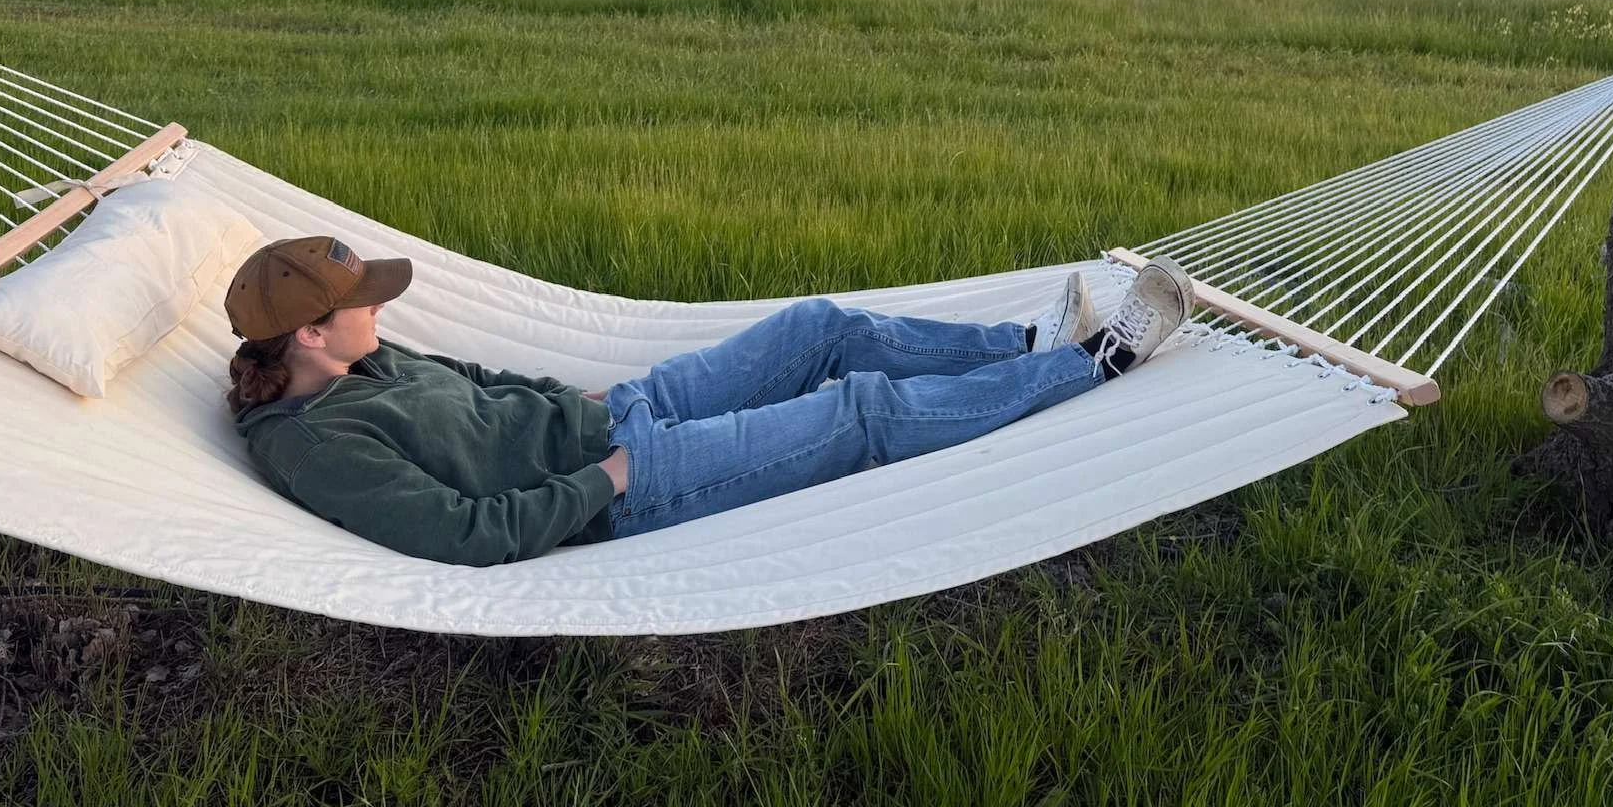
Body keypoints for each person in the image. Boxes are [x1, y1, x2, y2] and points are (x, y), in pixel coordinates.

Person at [225, 236, 1196, 567]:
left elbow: (481, 383)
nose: (382, 309)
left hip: (618, 411)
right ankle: (1092, 365)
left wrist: (584, 399)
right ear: (308, 333)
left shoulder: (357, 359)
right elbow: (471, 533)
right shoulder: (316, 444)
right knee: (852, 414)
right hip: (629, 485)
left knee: (816, 327)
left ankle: (1025, 343)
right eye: (362, 302)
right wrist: (608, 472)